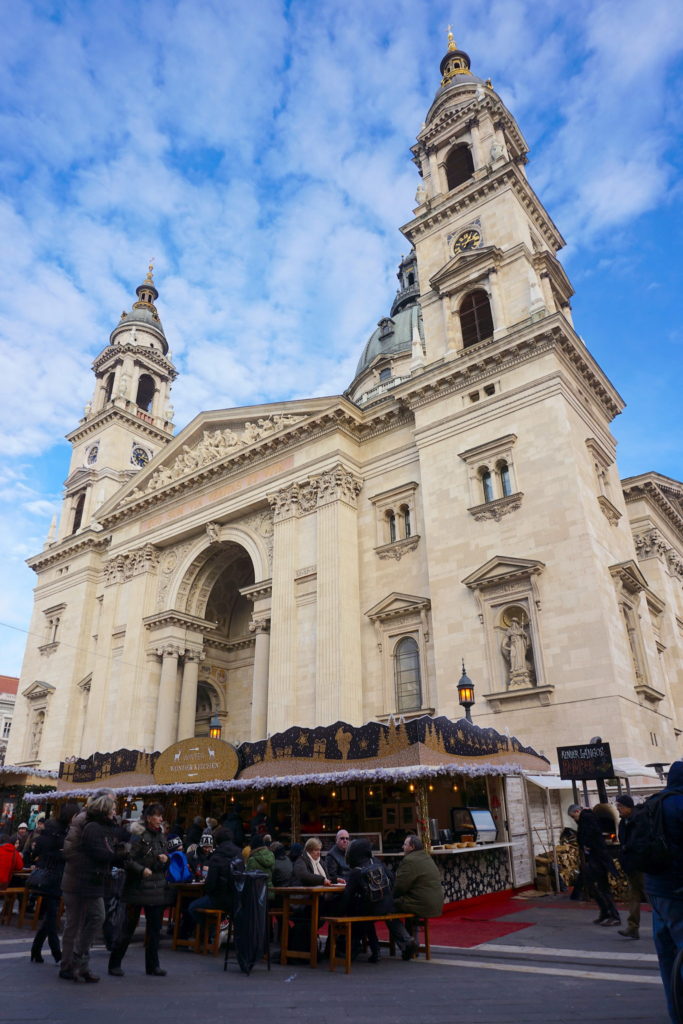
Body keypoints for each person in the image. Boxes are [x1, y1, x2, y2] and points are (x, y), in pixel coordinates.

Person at [60, 790, 122, 982]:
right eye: (111, 803)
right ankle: (68, 965)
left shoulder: (104, 823)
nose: (114, 808)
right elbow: (70, 851)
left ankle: (81, 965)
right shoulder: (84, 821)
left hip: (92, 880)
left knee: (91, 920)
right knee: (75, 924)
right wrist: (93, 861)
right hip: (76, 880)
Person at [108, 803, 171, 978]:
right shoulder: (138, 835)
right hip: (137, 887)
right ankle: (115, 962)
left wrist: (165, 859)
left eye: (161, 816)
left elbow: (162, 858)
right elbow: (127, 859)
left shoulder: (161, 836)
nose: (160, 819)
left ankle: (153, 965)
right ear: (149, 817)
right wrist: (141, 870)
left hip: (157, 887)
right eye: (157, 816)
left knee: (154, 929)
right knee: (128, 927)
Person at [642, 760, 683, 1023]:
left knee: (666, 957)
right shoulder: (679, 804)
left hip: (654, 887)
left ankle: (675, 1013)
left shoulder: (651, 803)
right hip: (678, 889)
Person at [29, 801, 80, 964]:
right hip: (51, 875)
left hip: (56, 875)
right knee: (52, 914)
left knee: (51, 914)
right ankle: (56, 951)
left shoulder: (60, 829)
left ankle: (36, 949)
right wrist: (61, 854)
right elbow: (42, 850)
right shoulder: (56, 831)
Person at [387, 834, 444, 959]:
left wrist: (389, 898)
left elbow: (400, 887)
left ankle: (407, 942)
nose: (403, 847)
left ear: (412, 847)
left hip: (421, 903)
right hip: (435, 902)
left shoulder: (409, 860)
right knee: (407, 906)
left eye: (405, 844)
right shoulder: (426, 857)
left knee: (387, 910)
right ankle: (413, 946)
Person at [341, 837, 393, 962]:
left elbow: (347, 895)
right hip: (385, 905)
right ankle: (375, 950)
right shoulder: (378, 864)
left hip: (371, 908)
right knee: (366, 916)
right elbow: (392, 879)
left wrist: (339, 912)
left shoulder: (356, 872)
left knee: (356, 913)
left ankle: (354, 947)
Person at [568, 804, 620, 927]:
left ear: (577, 811)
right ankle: (606, 913)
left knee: (601, 887)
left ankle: (612, 915)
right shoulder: (589, 817)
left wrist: (587, 846)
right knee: (596, 886)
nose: (574, 819)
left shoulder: (586, 819)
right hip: (595, 858)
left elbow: (590, 836)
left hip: (597, 858)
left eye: (573, 816)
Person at [185, 826, 242, 933]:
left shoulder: (217, 857)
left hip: (219, 899)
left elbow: (210, 884)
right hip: (236, 899)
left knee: (192, 907)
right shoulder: (240, 854)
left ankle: (212, 932)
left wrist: (207, 888)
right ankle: (217, 931)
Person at [615, 794, 647, 939]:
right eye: (617, 807)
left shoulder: (639, 820)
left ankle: (669, 924)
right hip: (631, 865)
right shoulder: (623, 822)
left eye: (620, 806)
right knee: (634, 895)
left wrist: (630, 850)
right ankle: (632, 927)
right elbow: (623, 842)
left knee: (651, 895)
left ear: (628, 807)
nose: (618, 809)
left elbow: (640, 842)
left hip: (641, 864)